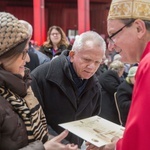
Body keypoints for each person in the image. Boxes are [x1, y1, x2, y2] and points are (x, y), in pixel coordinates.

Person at [0, 12, 78, 150]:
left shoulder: (22, 85)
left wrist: (57, 145)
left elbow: (38, 134)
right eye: (23, 53)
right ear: (5, 56)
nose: (28, 59)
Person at [86, 0, 150, 150]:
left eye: (113, 35)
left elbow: (140, 141)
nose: (111, 45)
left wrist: (115, 146)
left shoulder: (147, 64)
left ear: (139, 28)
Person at [31, 31, 106, 147]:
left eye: (97, 62)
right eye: (86, 60)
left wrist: (95, 139)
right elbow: (34, 120)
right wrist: (62, 145)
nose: (91, 67)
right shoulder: (40, 77)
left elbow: (92, 120)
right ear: (72, 56)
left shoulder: (95, 85)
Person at [98, 60, 124, 124]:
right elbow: (116, 90)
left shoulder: (107, 75)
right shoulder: (109, 76)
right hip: (106, 108)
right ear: (120, 70)